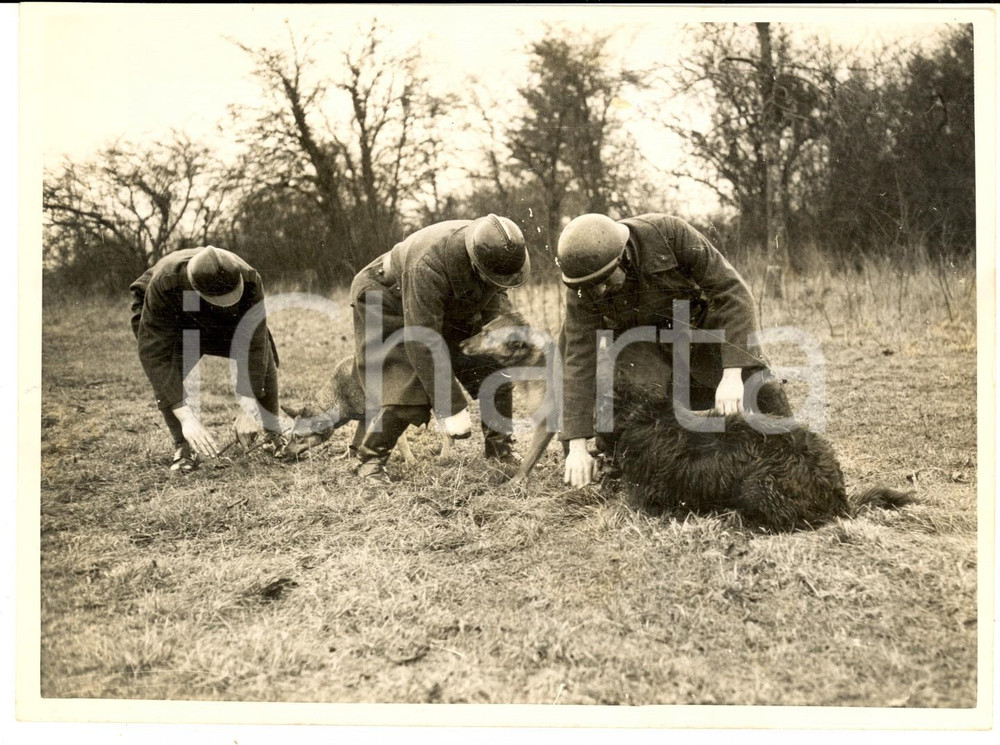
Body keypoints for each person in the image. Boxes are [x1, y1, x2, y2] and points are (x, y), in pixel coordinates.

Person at [556, 213, 792, 488]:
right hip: (639, 351)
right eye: (590, 288)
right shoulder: (584, 279)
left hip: (697, 331)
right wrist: (576, 446)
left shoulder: (670, 234)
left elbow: (733, 295)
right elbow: (578, 357)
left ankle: (794, 453)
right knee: (633, 411)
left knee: (763, 392)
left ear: (623, 258)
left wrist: (731, 375)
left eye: (606, 282)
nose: (599, 292)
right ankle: (620, 462)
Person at [350, 214, 530, 484]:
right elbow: (422, 341)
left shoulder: (491, 255)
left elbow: (494, 299)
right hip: (386, 297)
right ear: (474, 264)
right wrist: (451, 407)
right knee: (412, 384)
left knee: (495, 369)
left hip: (441, 304)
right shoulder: (427, 266)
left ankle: (500, 452)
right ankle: (369, 461)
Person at [129, 245, 287, 473]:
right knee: (170, 370)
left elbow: (255, 344)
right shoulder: (166, 283)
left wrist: (248, 407)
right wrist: (186, 418)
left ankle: (272, 433)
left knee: (266, 353)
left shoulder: (251, 279)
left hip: (220, 317)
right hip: (173, 311)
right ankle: (184, 446)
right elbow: (156, 356)